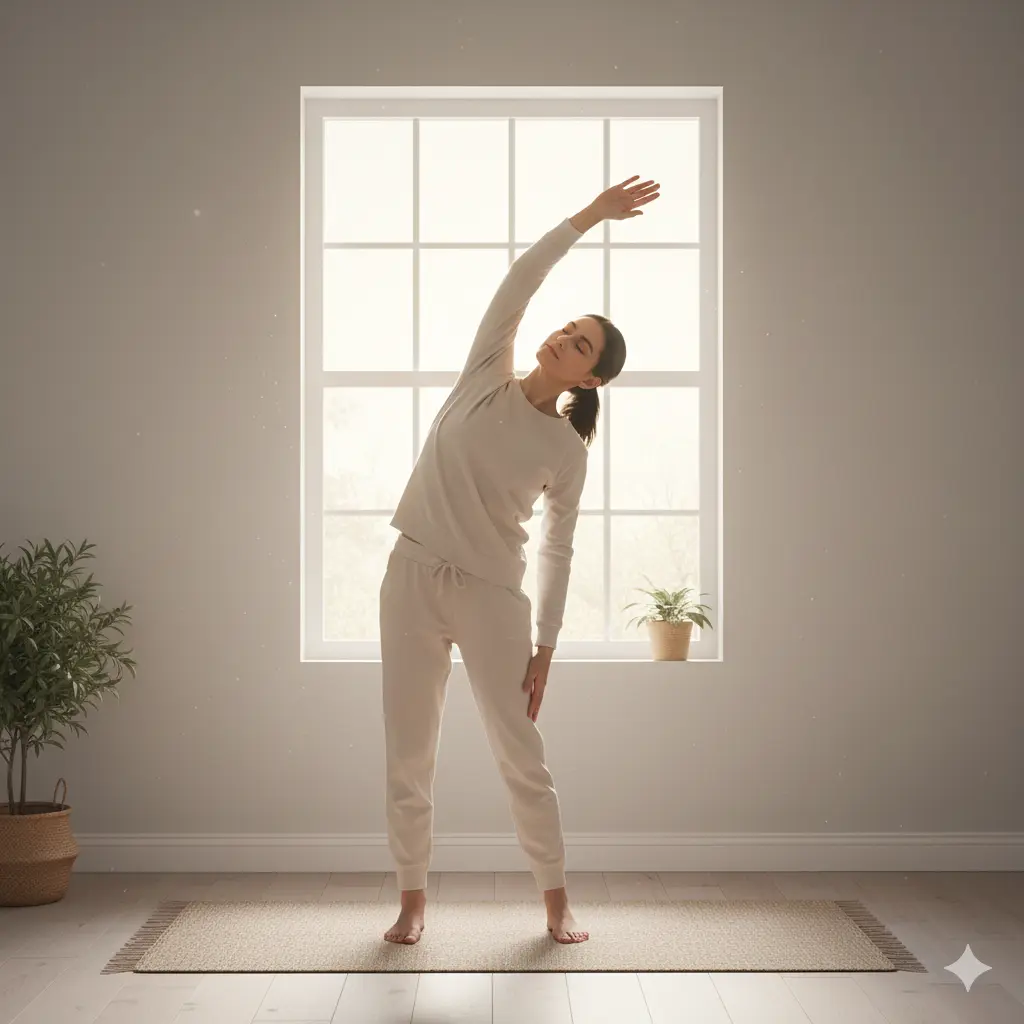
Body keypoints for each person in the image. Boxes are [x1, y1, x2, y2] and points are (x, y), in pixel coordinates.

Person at [378, 176, 661, 945]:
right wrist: (588, 219)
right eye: (567, 327)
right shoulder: (484, 375)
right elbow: (521, 279)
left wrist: (547, 644)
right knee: (409, 754)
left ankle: (557, 901)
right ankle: (412, 902)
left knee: (520, 755)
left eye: (580, 344)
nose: (561, 337)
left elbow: (559, 548)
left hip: (491, 597)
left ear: (591, 378)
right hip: (409, 577)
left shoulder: (566, 451)